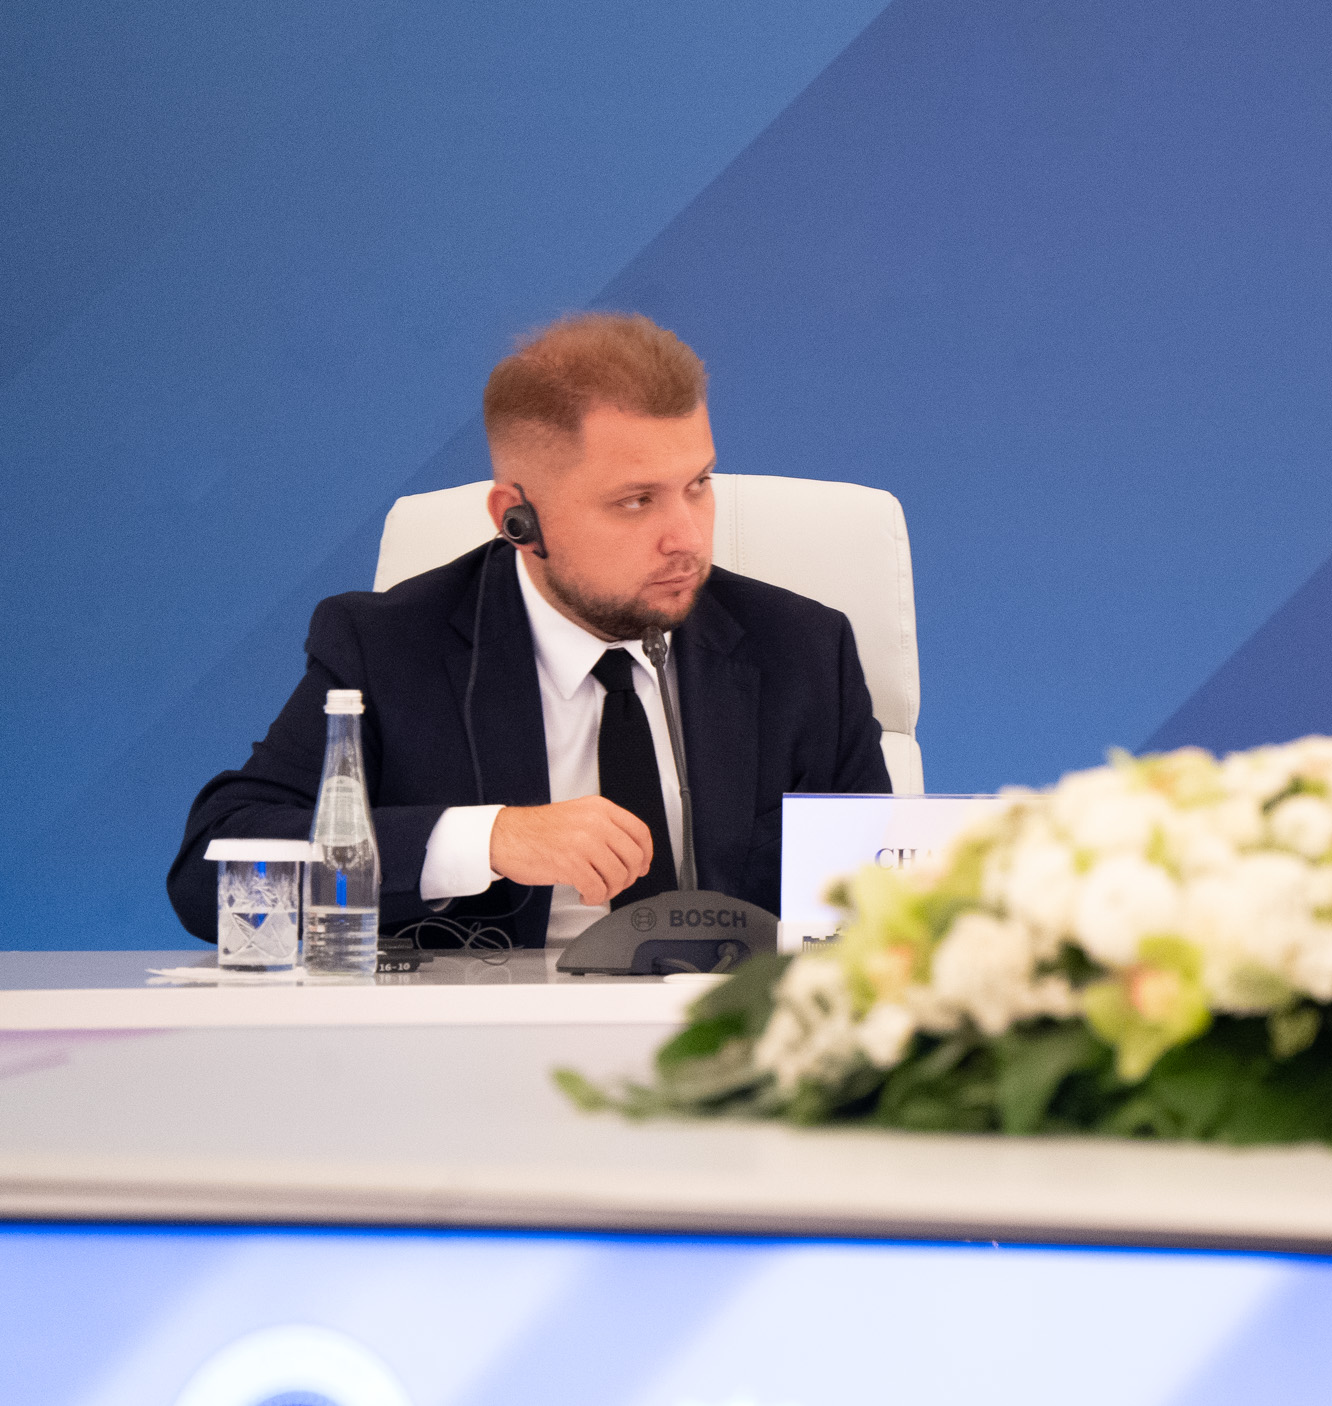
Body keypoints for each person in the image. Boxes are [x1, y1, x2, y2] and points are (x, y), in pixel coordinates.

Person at [169, 312, 890, 948]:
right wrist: (487, 838)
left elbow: (881, 910)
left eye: (698, 484)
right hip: (484, 1041)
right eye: (636, 501)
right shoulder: (387, 648)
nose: (688, 538)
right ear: (518, 520)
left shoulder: (801, 650)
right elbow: (215, 871)